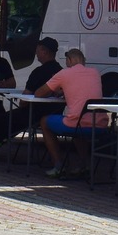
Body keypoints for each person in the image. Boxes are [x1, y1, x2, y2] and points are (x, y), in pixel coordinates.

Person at [34, 46, 104, 179]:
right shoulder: (95, 73)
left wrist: (59, 90)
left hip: (77, 123)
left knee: (45, 122)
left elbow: (39, 93)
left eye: (66, 62)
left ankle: (58, 165)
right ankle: (84, 165)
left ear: (70, 59)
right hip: (99, 125)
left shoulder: (64, 74)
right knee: (79, 125)